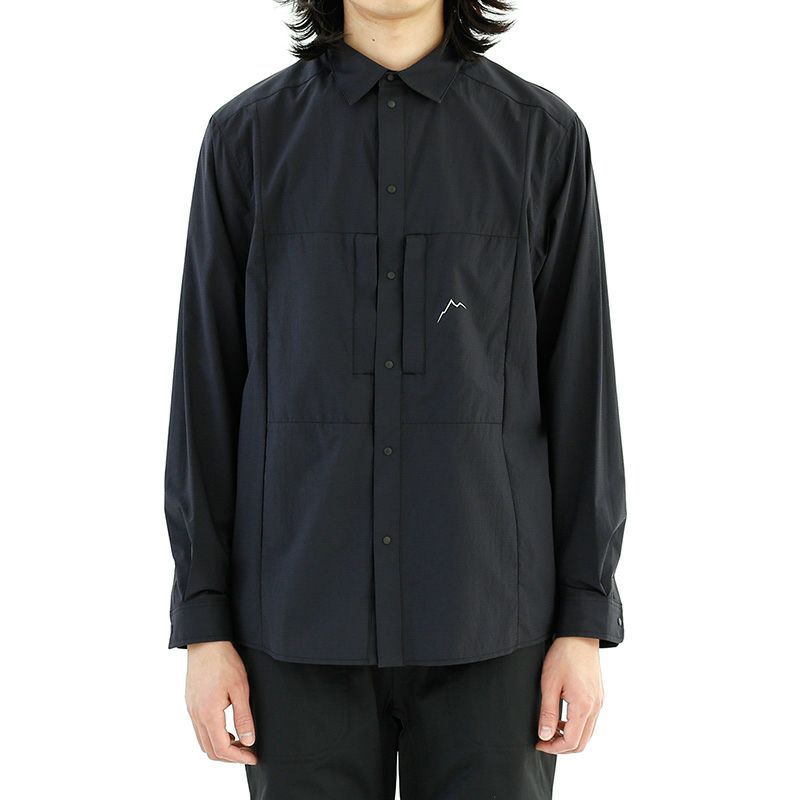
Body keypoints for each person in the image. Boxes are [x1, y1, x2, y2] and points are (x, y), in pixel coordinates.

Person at [164, 1, 627, 797]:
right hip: (295, 627)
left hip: (494, 626)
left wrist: (583, 623)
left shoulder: (541, 138)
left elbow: (582, 390)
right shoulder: (247, 138)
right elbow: (204, 390)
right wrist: (204, 626)